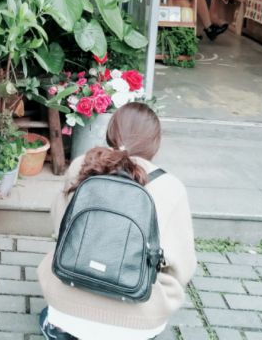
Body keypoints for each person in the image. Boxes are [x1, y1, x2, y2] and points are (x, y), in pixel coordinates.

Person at [37, 103, 196, 340]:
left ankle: (64, 329)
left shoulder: (83, 165)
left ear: (111, 132)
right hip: (138, 319)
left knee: (52, 306)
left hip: (67, 304)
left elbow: (60, 226)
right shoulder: (171, 187)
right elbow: (182, 267)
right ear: (155, 142)